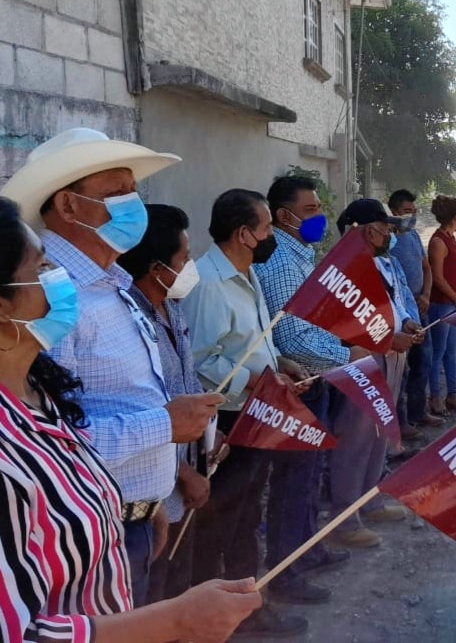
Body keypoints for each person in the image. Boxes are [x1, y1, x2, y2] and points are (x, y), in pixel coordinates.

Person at [0, 195, 260, 642]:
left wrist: (114, 515)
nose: (62, 281)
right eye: (42, 270)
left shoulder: (37, 397)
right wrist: (176, 619)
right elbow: (2, 635)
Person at [0, 128, 221, 606]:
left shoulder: (113, 284)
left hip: (130, 520)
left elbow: (121, 398)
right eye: (116, 193)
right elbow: (48, 441)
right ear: (68, 206)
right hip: (89, 533)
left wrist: (149, 502)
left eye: (133, 191)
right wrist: (164, 424)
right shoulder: (50, 300)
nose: (132, 204)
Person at [181, 188, 308, 637]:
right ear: (243, 233)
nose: (272, 234)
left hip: (256, 415)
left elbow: (251, 341)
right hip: (227, 423)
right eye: (268, 227)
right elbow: (198, 361)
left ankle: (246, 608)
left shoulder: (246, 272)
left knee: (246, 514)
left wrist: (278, 364)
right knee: (219, 520)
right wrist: (254, 381)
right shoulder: (207, 284)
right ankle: (210, 617)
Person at [251, 175, 355, 602]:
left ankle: (307, 549)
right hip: (297, 386)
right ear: (283, 216)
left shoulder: (303, 255)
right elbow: (290, 337)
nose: (320, 218)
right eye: (311, 211)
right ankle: (285, 571)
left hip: (317, 379)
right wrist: (350, 357)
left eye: (318, 208)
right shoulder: (277, 263)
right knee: (292, 484)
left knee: (310, 478)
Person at [116, 204, 214, 603]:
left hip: (189, 477)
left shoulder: (173, 308)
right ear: (157, 269)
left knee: (180, 580)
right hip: (154, 489)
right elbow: (142, 411)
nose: (191, 267)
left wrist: (210, 433)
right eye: (185, 259)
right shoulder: (126, 320)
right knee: (153, 592)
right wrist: (183, 472)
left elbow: (188, 385)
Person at [328, 199, 420, 549]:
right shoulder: (345, 268)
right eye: (386, 228)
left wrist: (407, 323)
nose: (390, 234)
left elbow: (394, 305)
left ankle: (371, 499)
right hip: (363, 360)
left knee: (381, 430)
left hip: (391, 355)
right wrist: (388, 338)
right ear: (369, 231)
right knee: (356, 436)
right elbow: (347, 324)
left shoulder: (382, 263)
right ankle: (345, 518)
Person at [388, 189, 443, 436]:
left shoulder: (413, 237)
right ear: (395, 212)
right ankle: (400, 423)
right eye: (408, 211)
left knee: (424, 361)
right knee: (401, 369)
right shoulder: (387, 240)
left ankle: (418, 412)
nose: (412, 216)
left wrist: (426, 295)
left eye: (414, 211)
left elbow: (426, 267)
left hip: (420, 309)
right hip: (400, 315)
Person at [427, 195, 456, 416]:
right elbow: (438, 278)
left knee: (450, 352)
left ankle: (452, 394)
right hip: (442, 305)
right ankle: (434, 397)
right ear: (455, 217)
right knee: (438, 352)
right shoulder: (438, 242)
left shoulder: (449, 238)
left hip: (452, 304)